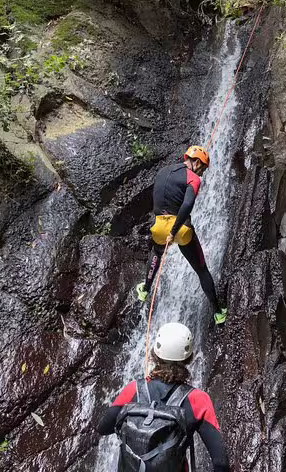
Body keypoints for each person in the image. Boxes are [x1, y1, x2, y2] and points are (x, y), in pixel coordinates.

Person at [97, 322, 229, 472]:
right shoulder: (197, 399)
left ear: (155, 354)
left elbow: (103, 428)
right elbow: (220, 462)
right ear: (189, 358)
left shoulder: (133, 389)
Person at [136, 145, 227, 324]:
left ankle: (145, 289)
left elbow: (157, 197)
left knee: (157, 252)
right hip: (181, 228)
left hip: (158, 226)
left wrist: (166, 230)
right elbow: (187, 205)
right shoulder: (193, 178)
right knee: (201, 269)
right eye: (202, 168)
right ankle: (218, 312)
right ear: (196, 161)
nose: (202, 173)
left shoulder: (162, 171)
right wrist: (174, 230)